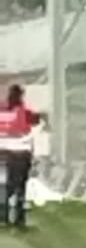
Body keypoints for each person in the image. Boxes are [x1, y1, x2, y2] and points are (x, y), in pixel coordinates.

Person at [0, 83, 41, 228]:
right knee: (20, 187)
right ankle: (19, 219)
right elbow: (35, 121)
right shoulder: (25, 112)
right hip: (22, 154)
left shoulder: (3, 110)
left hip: (4, 154)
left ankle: (4, 218)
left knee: (6, 186)